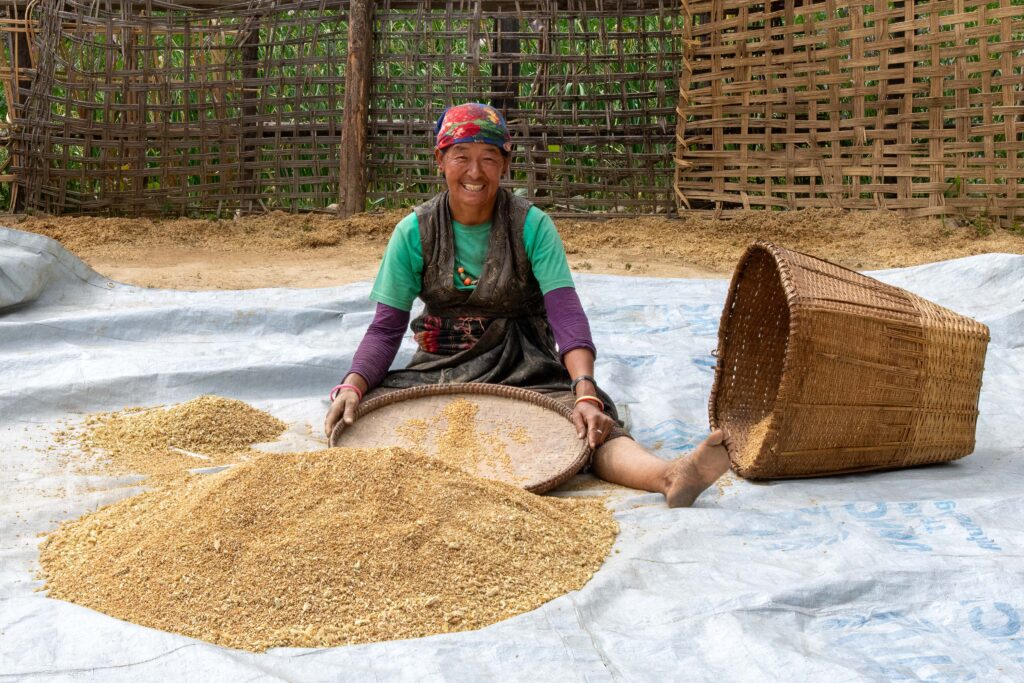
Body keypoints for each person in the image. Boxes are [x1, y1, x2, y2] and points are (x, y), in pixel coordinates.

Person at [324, 102, 729, 507]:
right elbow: (385, 328)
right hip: (440, 368)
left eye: (488, 158)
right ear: (440, 160)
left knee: (589, 424)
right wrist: (354, 384)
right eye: (461, 157)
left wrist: (585, 389)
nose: (474, 173)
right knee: (370, 418)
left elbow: (566, 315)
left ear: (505, 164)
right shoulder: (414, 231)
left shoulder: (532, 225)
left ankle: (668, 476)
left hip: (527, 366)